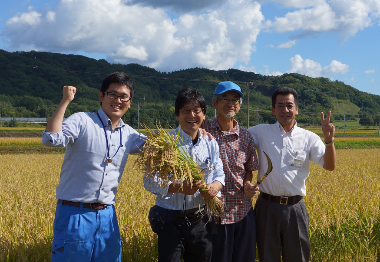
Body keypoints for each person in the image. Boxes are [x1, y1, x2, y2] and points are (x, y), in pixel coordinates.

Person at [42, 72, 146, 261]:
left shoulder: (129, 134)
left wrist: (197, 128)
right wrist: (65, 101)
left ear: (130, 102)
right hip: (74, 213)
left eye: (124, 97)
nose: (118, 100)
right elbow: (51, 139)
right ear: (101, 96)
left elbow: (160, 147)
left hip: (107, 215)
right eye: (112, 94)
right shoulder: (82, 121)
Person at [248, 87, 336, 262]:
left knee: (298, 257)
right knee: (267, 257)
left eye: (289, 105)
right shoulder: (259, 132)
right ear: (273, 110)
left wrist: (328, 140)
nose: (285, 110)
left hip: (295, 208)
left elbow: (329, 166)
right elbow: (234, 135)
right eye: (280, 106)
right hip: (266, 206)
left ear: (296, 109)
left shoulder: (308, 137)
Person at [144, 87, 225, 262]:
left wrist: (215, 187)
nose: (192, 115)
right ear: (177, 115)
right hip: (170, 220)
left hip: (200, 219)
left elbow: (220, 173)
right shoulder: (164, 144)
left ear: (204, 115)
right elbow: (149, 181)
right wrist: (178, 187)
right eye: (186, 111)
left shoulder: (210, 143)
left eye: (197, 111)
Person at [204, 81, 259, 262]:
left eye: (235, 99)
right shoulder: (202, 130)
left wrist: (247, 184)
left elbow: (249, 169)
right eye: (225, 99)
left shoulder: (246, 136)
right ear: (215, 104)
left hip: (242, 210)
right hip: (213, 215)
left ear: (240, 106)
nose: (231, 103)